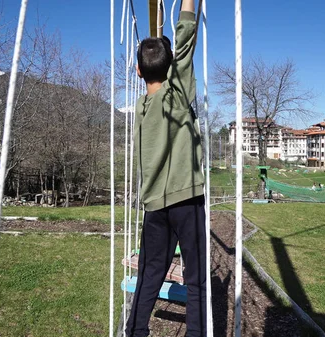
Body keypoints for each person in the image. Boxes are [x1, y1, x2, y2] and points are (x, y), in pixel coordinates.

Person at [126, 1, 206, 336]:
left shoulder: (141, 110)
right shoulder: (176, 95)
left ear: (138, 72)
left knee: (148, 274)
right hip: (186, 200)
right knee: (197, 279)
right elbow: (185, 35)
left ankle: (135, 332)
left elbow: (176, 49)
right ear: (173, 67)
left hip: (155, 207)